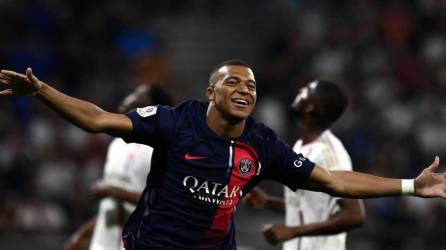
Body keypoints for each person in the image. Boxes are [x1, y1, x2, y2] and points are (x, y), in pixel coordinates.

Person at [0, 60, 445, 250]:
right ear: (210, 91)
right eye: (233, 82)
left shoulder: (263, 143)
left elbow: (334, 182)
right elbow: (97, 119)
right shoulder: (176, 122)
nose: (244, 89)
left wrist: (411, 186)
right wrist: (41, 91)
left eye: (251, 85)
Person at [245, 80, 365, 250]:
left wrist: (294, 231)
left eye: (307, 90)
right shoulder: (300, 146)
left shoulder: (329, 153)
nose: (301, 89)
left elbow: (354, 216)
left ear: (311, 107)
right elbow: (309, 210)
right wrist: (268, 203)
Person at [63, 85, 174, 250]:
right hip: (103, 244)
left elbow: (164, 203)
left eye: (136, 93)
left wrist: (113, 191)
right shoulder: (116, 144)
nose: (129, 96)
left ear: (150, 107)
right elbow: (111, 206)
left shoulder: (160, 150)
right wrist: (83, 233)